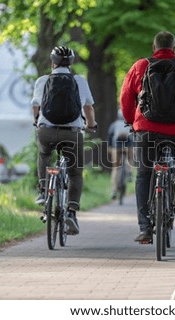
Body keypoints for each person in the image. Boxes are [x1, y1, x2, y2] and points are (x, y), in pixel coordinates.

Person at [120, 31, 175, 242]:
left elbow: (125, 96)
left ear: (153, 48)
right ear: (174, 49)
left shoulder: (141, 66)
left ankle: (145, 228)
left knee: (143, 174)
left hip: (146, 130)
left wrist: (132, 120)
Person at [31, 46, 97, 235]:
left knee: (44, 154)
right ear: (71, 63)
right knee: (75, 172)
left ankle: (44, 190)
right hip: (72, 132)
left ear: (52, 62)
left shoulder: (42, 80)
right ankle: (71, 212)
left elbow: (36, 106)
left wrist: (37, 122)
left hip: (47, 131)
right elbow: (89, 109)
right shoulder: (79, 81)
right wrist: (91, 125)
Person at [107, 109, 133, 200]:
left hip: (116, 146)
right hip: (128, 146)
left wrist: (109, 147)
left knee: (115, 168)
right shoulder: (129, 124)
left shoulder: (114, 125)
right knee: (129, 159)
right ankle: (129, 173)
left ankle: (113, 190)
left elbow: (110, 136)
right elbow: (133, 137)